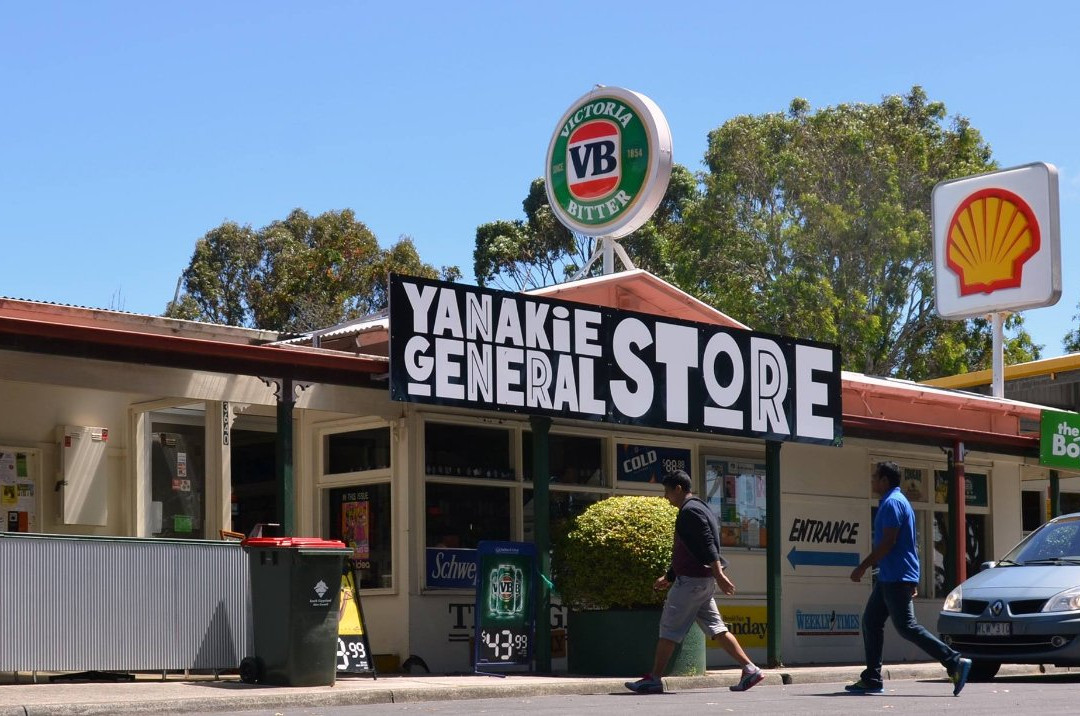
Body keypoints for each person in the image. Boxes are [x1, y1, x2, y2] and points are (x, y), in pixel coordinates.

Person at [625, 469, 764, 694]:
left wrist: (719, 575)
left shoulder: (690, 511)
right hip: (701, 583)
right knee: (717, 628)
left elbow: (707, 544)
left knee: (669, 629)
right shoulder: (701, 507)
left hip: (690, 583)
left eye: (667, 492)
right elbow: (690, 549)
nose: (665, 497)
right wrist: (670, 576)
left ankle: (654, 679)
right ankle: (750, 669)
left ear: (678, 489)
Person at [847, 461, 972, 696]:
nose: (872, 481)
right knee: (871, 622)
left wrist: (863, 566)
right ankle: (872, 678)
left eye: (875, 477)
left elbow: (889, 542)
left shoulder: (893, 503)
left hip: (896, 577)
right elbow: (908, 543)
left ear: (885, 480)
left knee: (907, 627)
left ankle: (954, 661)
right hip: (890, 577)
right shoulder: (895, 501)